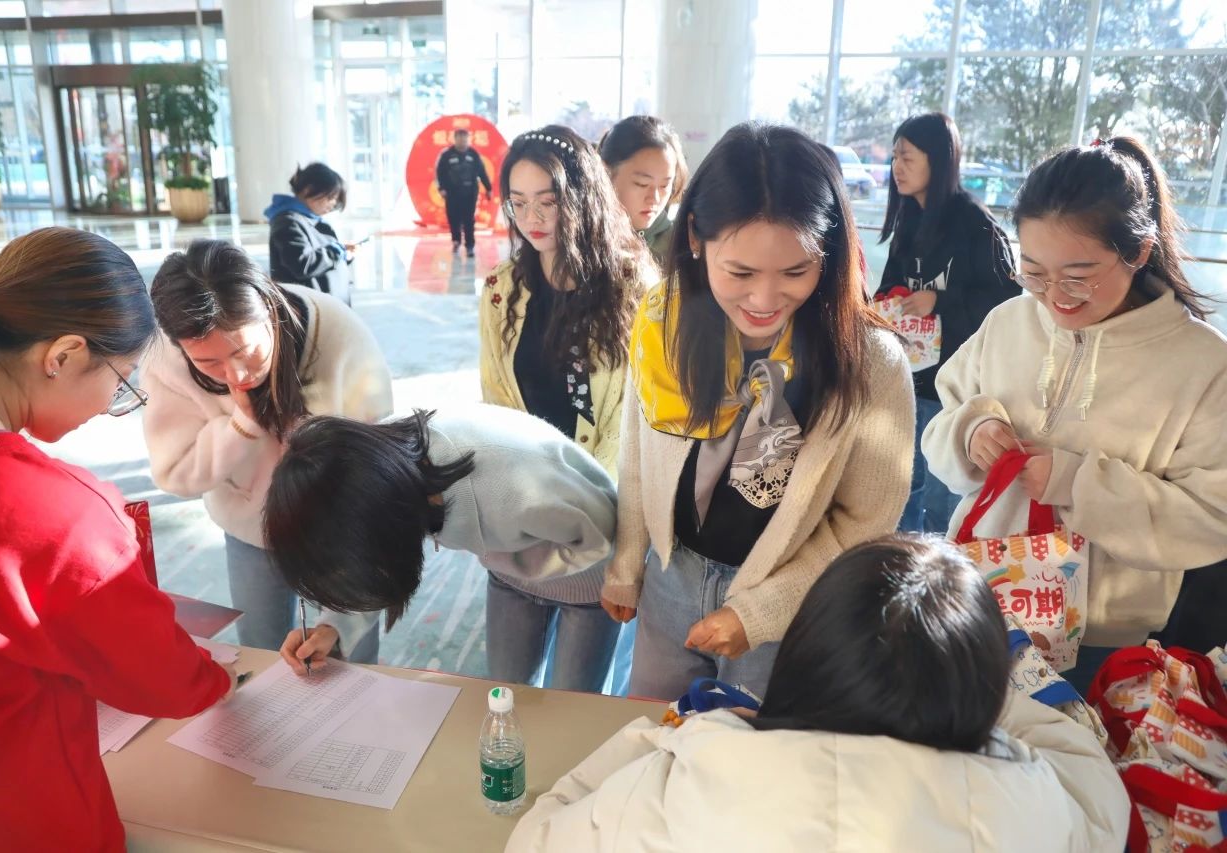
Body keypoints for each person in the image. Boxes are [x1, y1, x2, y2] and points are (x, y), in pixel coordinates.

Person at [506, 536, 1130, 852]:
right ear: (983, 691)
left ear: (804, 655)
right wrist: (984, 682)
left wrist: (667, 737)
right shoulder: (1035, 807)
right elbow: (1088, 771)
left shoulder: (695, 777)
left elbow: (536, 838)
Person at [601, 122, 915, 702]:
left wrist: (762, 611)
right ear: (695, 237)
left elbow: (867, 522)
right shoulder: (663, 324)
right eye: (740, 273)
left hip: (786, 598)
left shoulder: (869, 361)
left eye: (796, 272)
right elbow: (638, 453)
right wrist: (626, 563)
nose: (765, 300)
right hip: (671, 577)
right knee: (647, 733)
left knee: (748, 752)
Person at [0, 228, 234, 852]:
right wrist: (221, 681)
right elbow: (165, 681)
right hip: (18, 822)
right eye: (122, 382)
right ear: (64, 355)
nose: (111, 404)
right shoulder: (56, 514)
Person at [923, 136, 1227, 692]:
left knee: (1072, 750)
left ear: (1139, 251)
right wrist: (971, 432)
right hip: (979, 599)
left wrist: (1077, 483)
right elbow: (941, 422)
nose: (1054, 296)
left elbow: (1212, 517)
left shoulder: (1203, 364)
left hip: (1100, 641)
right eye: (1033, 271)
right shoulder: (1010, 322)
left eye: (1078, 275)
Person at [142, 239, 393, 661]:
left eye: (243, 351)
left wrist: (339, 619)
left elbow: (378, 469)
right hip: (250, 530)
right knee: (262, 651)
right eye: (208, 364)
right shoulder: (167, 358)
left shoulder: (335, 332)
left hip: (339, 530)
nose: (236, 375)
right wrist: (242, 425)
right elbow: (175, 472)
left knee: (349, 656)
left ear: (268, 309)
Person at [263, 405, 619, 689]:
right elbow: (370, 554)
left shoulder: (517, 483)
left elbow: (603, 530)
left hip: (591, 576)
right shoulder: (374, 466)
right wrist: (332, 627)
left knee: (576, 697)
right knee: (509, 691)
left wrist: (507, 558)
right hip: (508, 567)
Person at [478, 125, 653, 691]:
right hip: (518, 532)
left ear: (582, 198)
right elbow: (496, 408)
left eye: (548, 202)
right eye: (518, 202)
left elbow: (633, 431)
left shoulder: (636, 291)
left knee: (576, 705)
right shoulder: (502, 289)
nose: (532, 218)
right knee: (505, 693)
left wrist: (618, 553)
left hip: (595, 535)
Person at [876, 112, 1020, 534]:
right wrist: (884, 306)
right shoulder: (908, 219)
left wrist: (938, 300)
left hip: (954, 387)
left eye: (907, 157)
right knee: (902, 487)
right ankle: (901, 562)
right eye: (894, 157)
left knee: (943, 496)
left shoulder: (974, 224)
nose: (896, 167)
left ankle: (942, 567)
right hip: (909, 377)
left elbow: (1005, 301)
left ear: (937, 160)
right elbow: (889, 285)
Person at [598, 115, 688, 265]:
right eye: (642, 184)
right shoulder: (578, 239)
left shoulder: (678, 248)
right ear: (605, 174)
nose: (655, 199)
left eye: (665, 185)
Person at [265, 162, 357, 305]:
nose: (333, 204)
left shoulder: (309, 218)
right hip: (310, 310)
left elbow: (320, 257)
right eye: (331, 197)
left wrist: (343, 254)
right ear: (309, 190)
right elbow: (302, 264)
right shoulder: (288, 221)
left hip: (324, 307)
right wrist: (335, 252)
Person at [436, 128, 493, 257]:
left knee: (469, 219)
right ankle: (456, 241)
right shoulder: (446, 155)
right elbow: (440, 174)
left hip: (470, 193)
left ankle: (470, 246)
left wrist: (488, 188)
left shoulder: (473, 155)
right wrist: (441, 188)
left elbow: (482, 172)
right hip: (452, 193)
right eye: (460, 138)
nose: (462, 141)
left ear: (468, 139)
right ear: (455, 139)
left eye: (465, 139)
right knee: (453, 218)